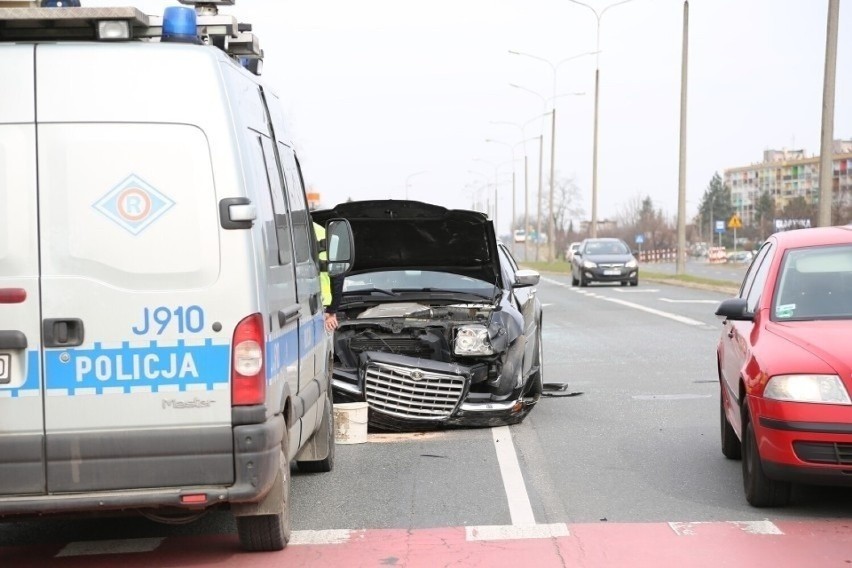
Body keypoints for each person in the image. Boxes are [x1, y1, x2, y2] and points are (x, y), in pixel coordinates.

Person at [314, 222, 343, 332]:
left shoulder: (274, 226)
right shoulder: (323, 233)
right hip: (319, 306)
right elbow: (337, 274)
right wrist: (332, 311)